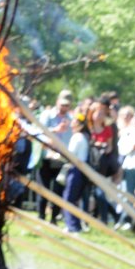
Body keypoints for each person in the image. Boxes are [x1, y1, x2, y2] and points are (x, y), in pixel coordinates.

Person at [37, 89, 74, 223]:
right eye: (62, 104)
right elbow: (39, 132)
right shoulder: (47, 115)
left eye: (67, 105)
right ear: (57, 102)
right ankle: (41, 217)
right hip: (47, 157)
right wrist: (55, 130)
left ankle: (53, 218)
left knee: (58, 190)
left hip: (61, 159)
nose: (64, 107)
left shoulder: (70, 119)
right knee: (44, 190)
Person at [61, 114, 90, 233]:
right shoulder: (84, 137)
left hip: (75, 169)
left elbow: (70, 154)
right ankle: (75, 224)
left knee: (69, 198)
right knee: (74, 199)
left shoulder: (77, 137)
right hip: (81, 170)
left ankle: (72, 226)